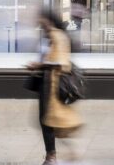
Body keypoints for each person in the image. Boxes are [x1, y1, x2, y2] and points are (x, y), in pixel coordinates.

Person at [27, 10, 82, 165]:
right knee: (50, 119)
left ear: (47, 20)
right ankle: (58, 153)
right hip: (46, 81)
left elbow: (60, 61)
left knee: (47, 119)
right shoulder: (49, 36)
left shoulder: (56, 36)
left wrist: (39, 64)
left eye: (41, 19)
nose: (38, 22)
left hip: (52, 84)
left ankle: (51, 156)